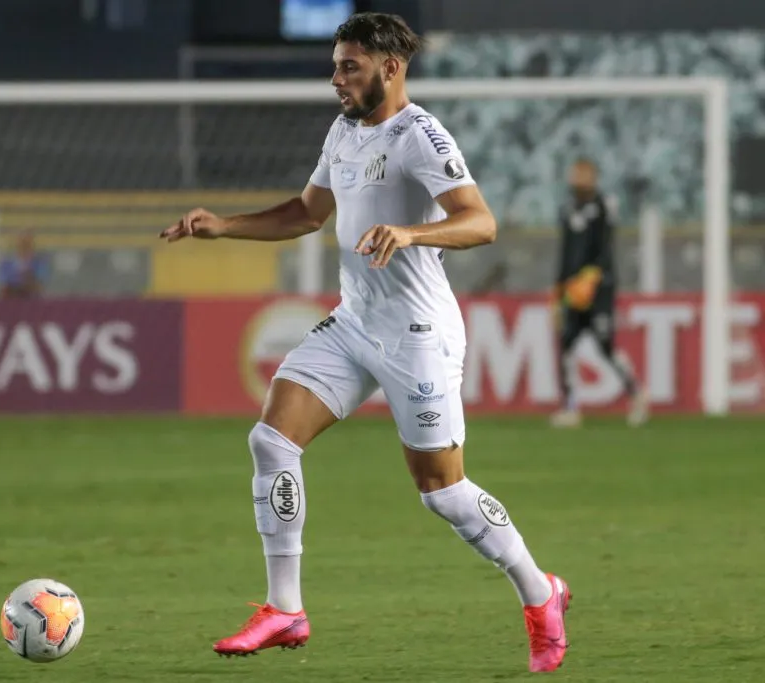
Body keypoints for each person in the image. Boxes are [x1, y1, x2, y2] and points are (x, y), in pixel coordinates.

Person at [161, 12, 570, 673]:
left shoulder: (420, 135)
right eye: (335, 65)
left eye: (349, 66)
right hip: (356, 321)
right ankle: (285, 608)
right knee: (271, 437)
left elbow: (481, 222)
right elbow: (306, 213)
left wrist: (412, 232)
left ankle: (538, 589)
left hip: (418, 333)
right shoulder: (344, 130)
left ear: (391, 68)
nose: (336, 78)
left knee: (442, 490)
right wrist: (224, 225)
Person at [550, 159, 648, 428]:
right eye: (574, 173)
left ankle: (636, 394)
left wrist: (590, 278)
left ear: (593, 177)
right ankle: (570, 407)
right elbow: (566, 251)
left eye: (582, 173)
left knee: (605, 345)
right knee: (566, 344)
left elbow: (605, 247)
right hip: (572, 289)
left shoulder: (604, 206)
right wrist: (559, 287)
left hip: (598, 287)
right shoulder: (567, 208)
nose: (576, 178)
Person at [0, 230, 48, 299]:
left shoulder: (39, 263)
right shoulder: (6, 264)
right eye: (22, 241)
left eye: (27, 242)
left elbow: (39, 286)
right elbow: (3, 287)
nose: (24, 245)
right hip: (11, 301)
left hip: (33, 302)